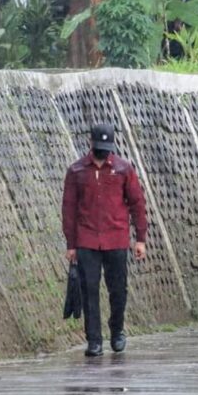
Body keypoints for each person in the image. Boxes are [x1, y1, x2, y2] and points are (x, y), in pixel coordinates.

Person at [62, 124, 148, 356]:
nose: (102, 152)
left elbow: (137, 204)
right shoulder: (77, 171)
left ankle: (117, 331)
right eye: (98, 147)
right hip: (87, 240)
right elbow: (68, 209)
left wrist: (140, 239)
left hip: (117, 239)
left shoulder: (123, 169)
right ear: (90, 143)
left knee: (118, 289)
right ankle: (94, 340)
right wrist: (71, 244)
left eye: (106, 148)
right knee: (89, 290)